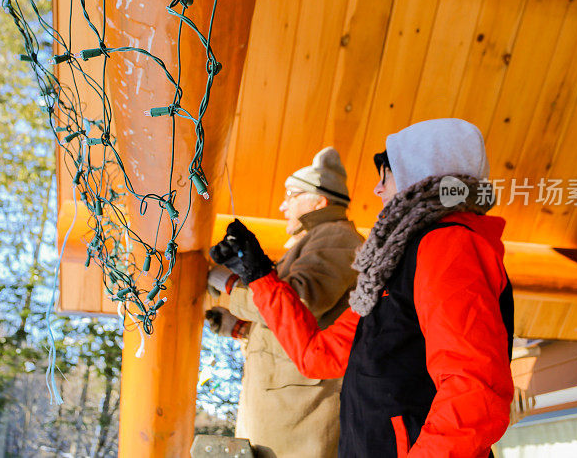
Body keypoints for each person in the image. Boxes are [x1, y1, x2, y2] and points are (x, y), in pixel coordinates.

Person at [211, 119, 515, 457]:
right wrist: (259, 275)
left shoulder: (448, 246)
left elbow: (473, 393)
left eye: (385, 175)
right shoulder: (390, 267)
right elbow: (319, 356)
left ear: (418, 173)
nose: (377, 190)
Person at [205, 147, 364, 458]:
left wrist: (228, 285)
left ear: (320, 201)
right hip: (283, 406)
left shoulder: (336, 237)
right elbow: (287, 322)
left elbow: (297, 302)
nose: (282, 205)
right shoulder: (316, 239)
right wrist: (242, 330)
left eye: (292, 195)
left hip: (297, 414)